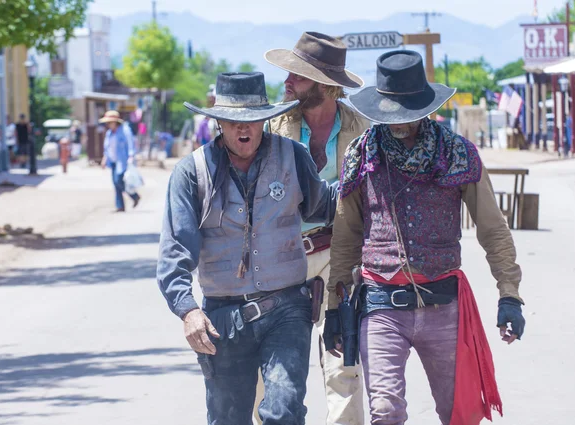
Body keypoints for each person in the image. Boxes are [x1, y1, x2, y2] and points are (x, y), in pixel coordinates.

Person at [325, 50, 526, 425]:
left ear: (425, 108)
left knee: (458, 414)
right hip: (381, 304)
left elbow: (492, 228)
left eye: (407, 113)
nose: (397, 122)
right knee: (384, 413)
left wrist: (509, 294)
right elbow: (345, 237)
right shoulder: (360, 156)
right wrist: (335, 307)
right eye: (390, 113)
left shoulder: (458, 155)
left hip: (443, 305)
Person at [157, 72, 337, 425]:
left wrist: (366, 174)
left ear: (265, 120)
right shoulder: (192, 172)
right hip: (223, 317)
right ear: (218, 122)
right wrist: (187, 310)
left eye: (254, 120)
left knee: (283, 411)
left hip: (287, 308)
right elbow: (174, 250)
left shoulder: (293, 157)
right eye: (234, 121)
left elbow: (324, 205)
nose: (245, 129)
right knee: (227, 419)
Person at [260, 31, 369, 425]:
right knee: (268, 374)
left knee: (344, 366)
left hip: (341, 256)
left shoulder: (365, 131)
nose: (286, 83)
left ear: (325, 86)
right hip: (280, 258)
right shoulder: (271, 129)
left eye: (297, 77)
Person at [99, 110, 140, 212]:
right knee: (115, 183)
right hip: (113, 161)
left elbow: (131, 144)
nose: (108, 124)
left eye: (110, 122)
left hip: (123, 161)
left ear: (115, 122)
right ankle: (120, 206)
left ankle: (134, 195)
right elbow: (107, 148)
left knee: (119, 181)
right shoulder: (109, 133)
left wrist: (131, 156)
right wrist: (104, 159)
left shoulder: (125, 130)